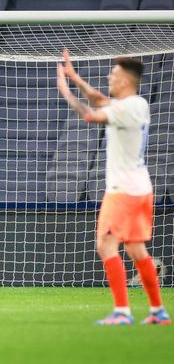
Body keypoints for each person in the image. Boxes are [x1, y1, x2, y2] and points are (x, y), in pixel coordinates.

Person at [57, 49, 170, 325]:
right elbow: (99, 100)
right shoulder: (137, 105)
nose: (110, 76)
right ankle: (158, 311)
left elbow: (89, 114)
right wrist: (75, 77)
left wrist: (66, 90)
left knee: (106, 245)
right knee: (136, 250)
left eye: (114, 74)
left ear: (126, 81)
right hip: (139, 188)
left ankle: (122, 312)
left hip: (123, 191)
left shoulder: (128, 107)